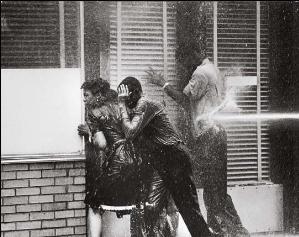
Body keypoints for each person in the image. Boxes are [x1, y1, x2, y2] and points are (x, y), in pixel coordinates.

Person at [146, 58, 250, 237]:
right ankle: (234, 231)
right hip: (214, 135)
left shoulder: (200, 73)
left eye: (180, 61)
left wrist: (162, 83)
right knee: (216, 191)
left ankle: (232, 232)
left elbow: (185, 100)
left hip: (209, 136)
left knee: (211, 193)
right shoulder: (212, 69)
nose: (179, 65)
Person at [117, 76, 217, 237]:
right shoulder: (138, 107)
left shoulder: (145, 104)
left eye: (125, 97)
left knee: (188, 209)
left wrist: (121, 105)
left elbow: (129, 132)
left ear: (135, 93)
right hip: (164, 160)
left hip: (174, 158)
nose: (123, 101)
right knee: (158, 207)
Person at [78, 78, 178, 237]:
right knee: (140, 203)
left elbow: (102, 143)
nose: (84, 99)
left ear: (97, 95)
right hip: (139, 160)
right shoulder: (124, 105)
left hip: (118, 162)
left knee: (94, 203)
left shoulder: (93, 112)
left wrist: (91, 135)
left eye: (86, 95)